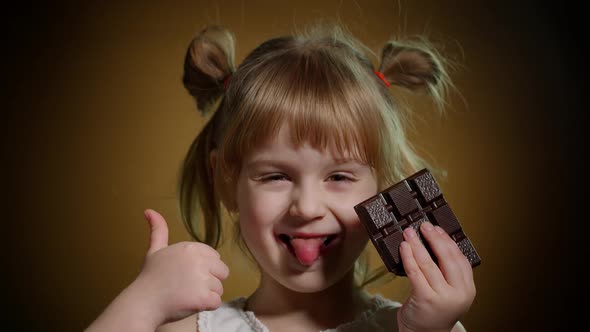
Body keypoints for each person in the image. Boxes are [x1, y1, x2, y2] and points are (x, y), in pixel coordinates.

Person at [86, 23, 476, 332]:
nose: (306, 208)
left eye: (339, 176)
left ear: (384, 188)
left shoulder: (424, 329)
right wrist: (141, 304)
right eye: (275, 176)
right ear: (226, 181)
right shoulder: (186, 330)